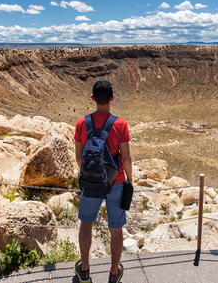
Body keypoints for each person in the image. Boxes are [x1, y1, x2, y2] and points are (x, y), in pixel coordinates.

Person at [73, 79, 133, 283]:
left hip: (90, 183)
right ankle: (114, 272)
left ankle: (85, 269)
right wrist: (129, 181)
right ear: (112, 98)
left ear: (92, 98)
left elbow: (78, 157)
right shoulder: (120, 124)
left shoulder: (82, 122)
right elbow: (125, 158)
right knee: (115, 228)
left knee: (86, 224)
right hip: (115, 183)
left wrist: (90, 176)